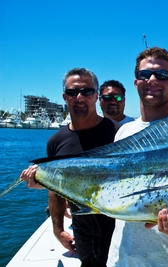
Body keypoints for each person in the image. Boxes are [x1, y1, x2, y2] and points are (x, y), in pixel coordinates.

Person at [19, 68, 120, 267]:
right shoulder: (56, 142)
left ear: (96, 96)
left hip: (120, 232)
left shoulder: (118, 133)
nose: (79, 97)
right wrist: (58, 230)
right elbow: (55, 190)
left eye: (87, 91)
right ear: (65, 97)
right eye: (73, 93)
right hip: (83, 235)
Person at [106, 47, 168, 267]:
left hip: (167, 260)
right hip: (120, 258)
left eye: (162, 75)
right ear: (136, 82)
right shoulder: (124, 132)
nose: (152, 80)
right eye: (144, 75)